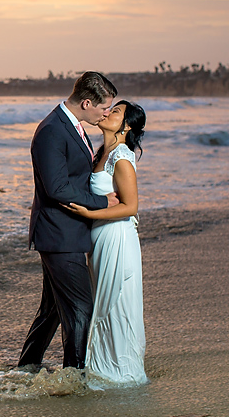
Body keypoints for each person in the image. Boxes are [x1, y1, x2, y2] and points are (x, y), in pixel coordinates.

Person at [18, 71, 119, 370]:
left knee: (51, 310)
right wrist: (104, 202)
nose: (107, 114)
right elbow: (57, 188)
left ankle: (27, 367)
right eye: (104, 108)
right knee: (81, 309)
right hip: (58, 234)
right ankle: (75, 375)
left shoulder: (73, 126)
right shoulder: (52, 129)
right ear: (87, 102)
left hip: (68, 232)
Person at [63, 100, 148, 386]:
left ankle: (121, 373)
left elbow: (131, 206)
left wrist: (90, 212)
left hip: (117, 237)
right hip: (100, 237)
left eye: (116, 112)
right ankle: (103, 366)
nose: (107, 112)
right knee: (103, 299)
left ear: (127, 126)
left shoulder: (121, 156)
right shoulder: (103, 152)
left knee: (116, 302)